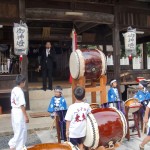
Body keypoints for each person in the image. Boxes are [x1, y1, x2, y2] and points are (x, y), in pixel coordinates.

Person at [8, 74, 29, 150]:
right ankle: (18, 146)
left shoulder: (14, 89)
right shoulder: (20, 92)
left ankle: (14, 145)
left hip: (14, 110)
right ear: (22, 82)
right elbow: (22, 105)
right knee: (21, 130)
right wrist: (25, 116)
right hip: (19, 111)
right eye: (24, 82)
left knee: (17, 129)